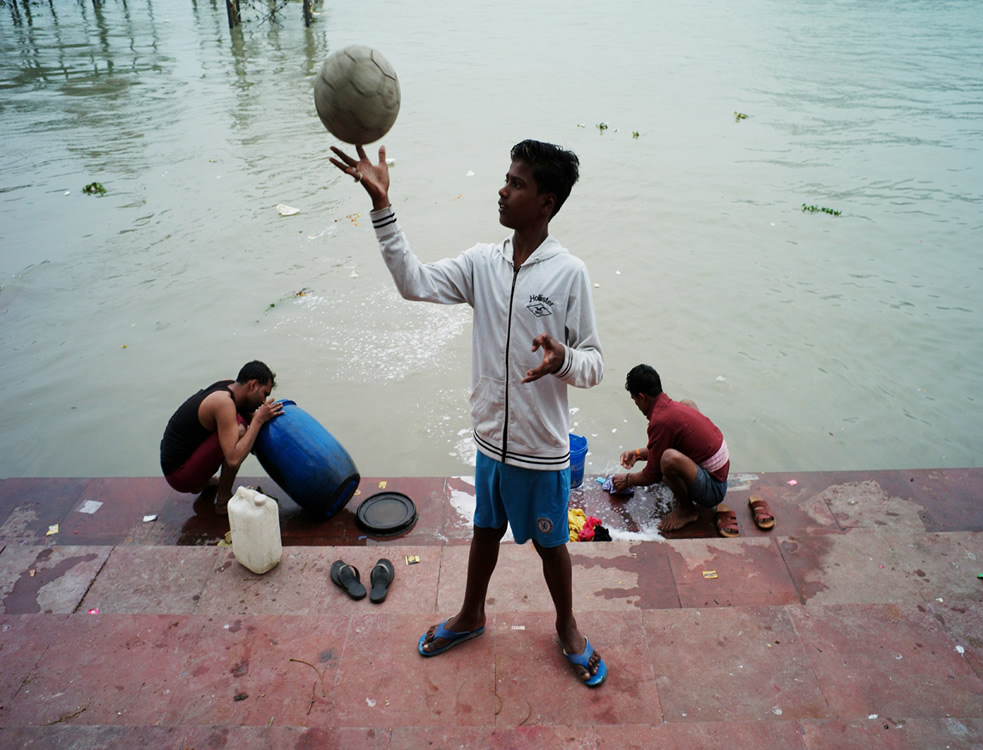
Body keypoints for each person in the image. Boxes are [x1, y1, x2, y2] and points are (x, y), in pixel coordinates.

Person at [329, 139, 606, 687]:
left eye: (517, 184)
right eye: (506, 178)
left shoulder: (569, 274)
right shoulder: (484, 263)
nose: (502, 190)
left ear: (546, 201)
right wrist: (382, 206)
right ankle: (472, 614)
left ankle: (568, 626)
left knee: (552, 547)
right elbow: (414, 283)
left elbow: (595, 365)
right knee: (484, 530)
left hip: (542, 451)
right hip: (489, 443)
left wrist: (562, 361)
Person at [612, 364, 752, 537]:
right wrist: (639, 454)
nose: (637, 405)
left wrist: (626, 480)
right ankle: (685, 485)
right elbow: (661, 446)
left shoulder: (661, 421)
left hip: (714, 488)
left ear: (642, 397)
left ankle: (687, 510)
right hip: (713, 470)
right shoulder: (668, 408)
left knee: (668, 460)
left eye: (635, 400)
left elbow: (652, 476)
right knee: (687, 404)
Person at [160, 361, 283, 515]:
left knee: (239, 423)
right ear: (252, 385)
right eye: (264, 394)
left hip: (178, 462)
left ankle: (205, 482)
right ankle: (223, 501)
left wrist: (267, 418)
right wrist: (258, 420)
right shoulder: (224, 403)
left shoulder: (229, 387)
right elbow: (233, 459)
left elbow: (247, 414)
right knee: (239, 432)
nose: (264, 402)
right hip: (179, 475)